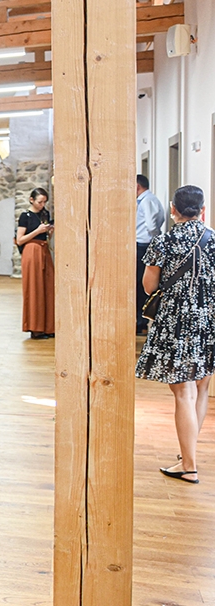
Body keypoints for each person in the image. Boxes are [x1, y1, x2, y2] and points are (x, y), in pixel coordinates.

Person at [136, 185, 215, 484]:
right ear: (202, 210)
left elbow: (148, 286)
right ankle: (187, 455)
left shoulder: (164, 241)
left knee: (183, 392)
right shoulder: (213, 239)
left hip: (176, 322)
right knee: (201, 389)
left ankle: (189, 465)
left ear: (172, 209)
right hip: (208, 320)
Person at [16, 187, 55, 339]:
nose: (42, 205)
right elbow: (20, 240)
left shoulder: (45, 214)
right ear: (32, 200)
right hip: (31, 250)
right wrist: (37, 231)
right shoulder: (25, 216)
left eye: (45, 202)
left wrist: (49, 232)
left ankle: (49, 326)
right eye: (40, 202)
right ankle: (35, 327)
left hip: (44, 250)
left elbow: (45, 238)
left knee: (48, 287)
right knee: (34, 288)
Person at [136, 174, 167, 334]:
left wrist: (154, 240)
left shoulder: (147, 201)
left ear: (137, 186)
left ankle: (141, 321)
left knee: (141, 283)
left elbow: (151, 224)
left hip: (144, 244)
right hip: (145, 243)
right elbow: (159, 219)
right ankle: (140, 320)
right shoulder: (149, 199)